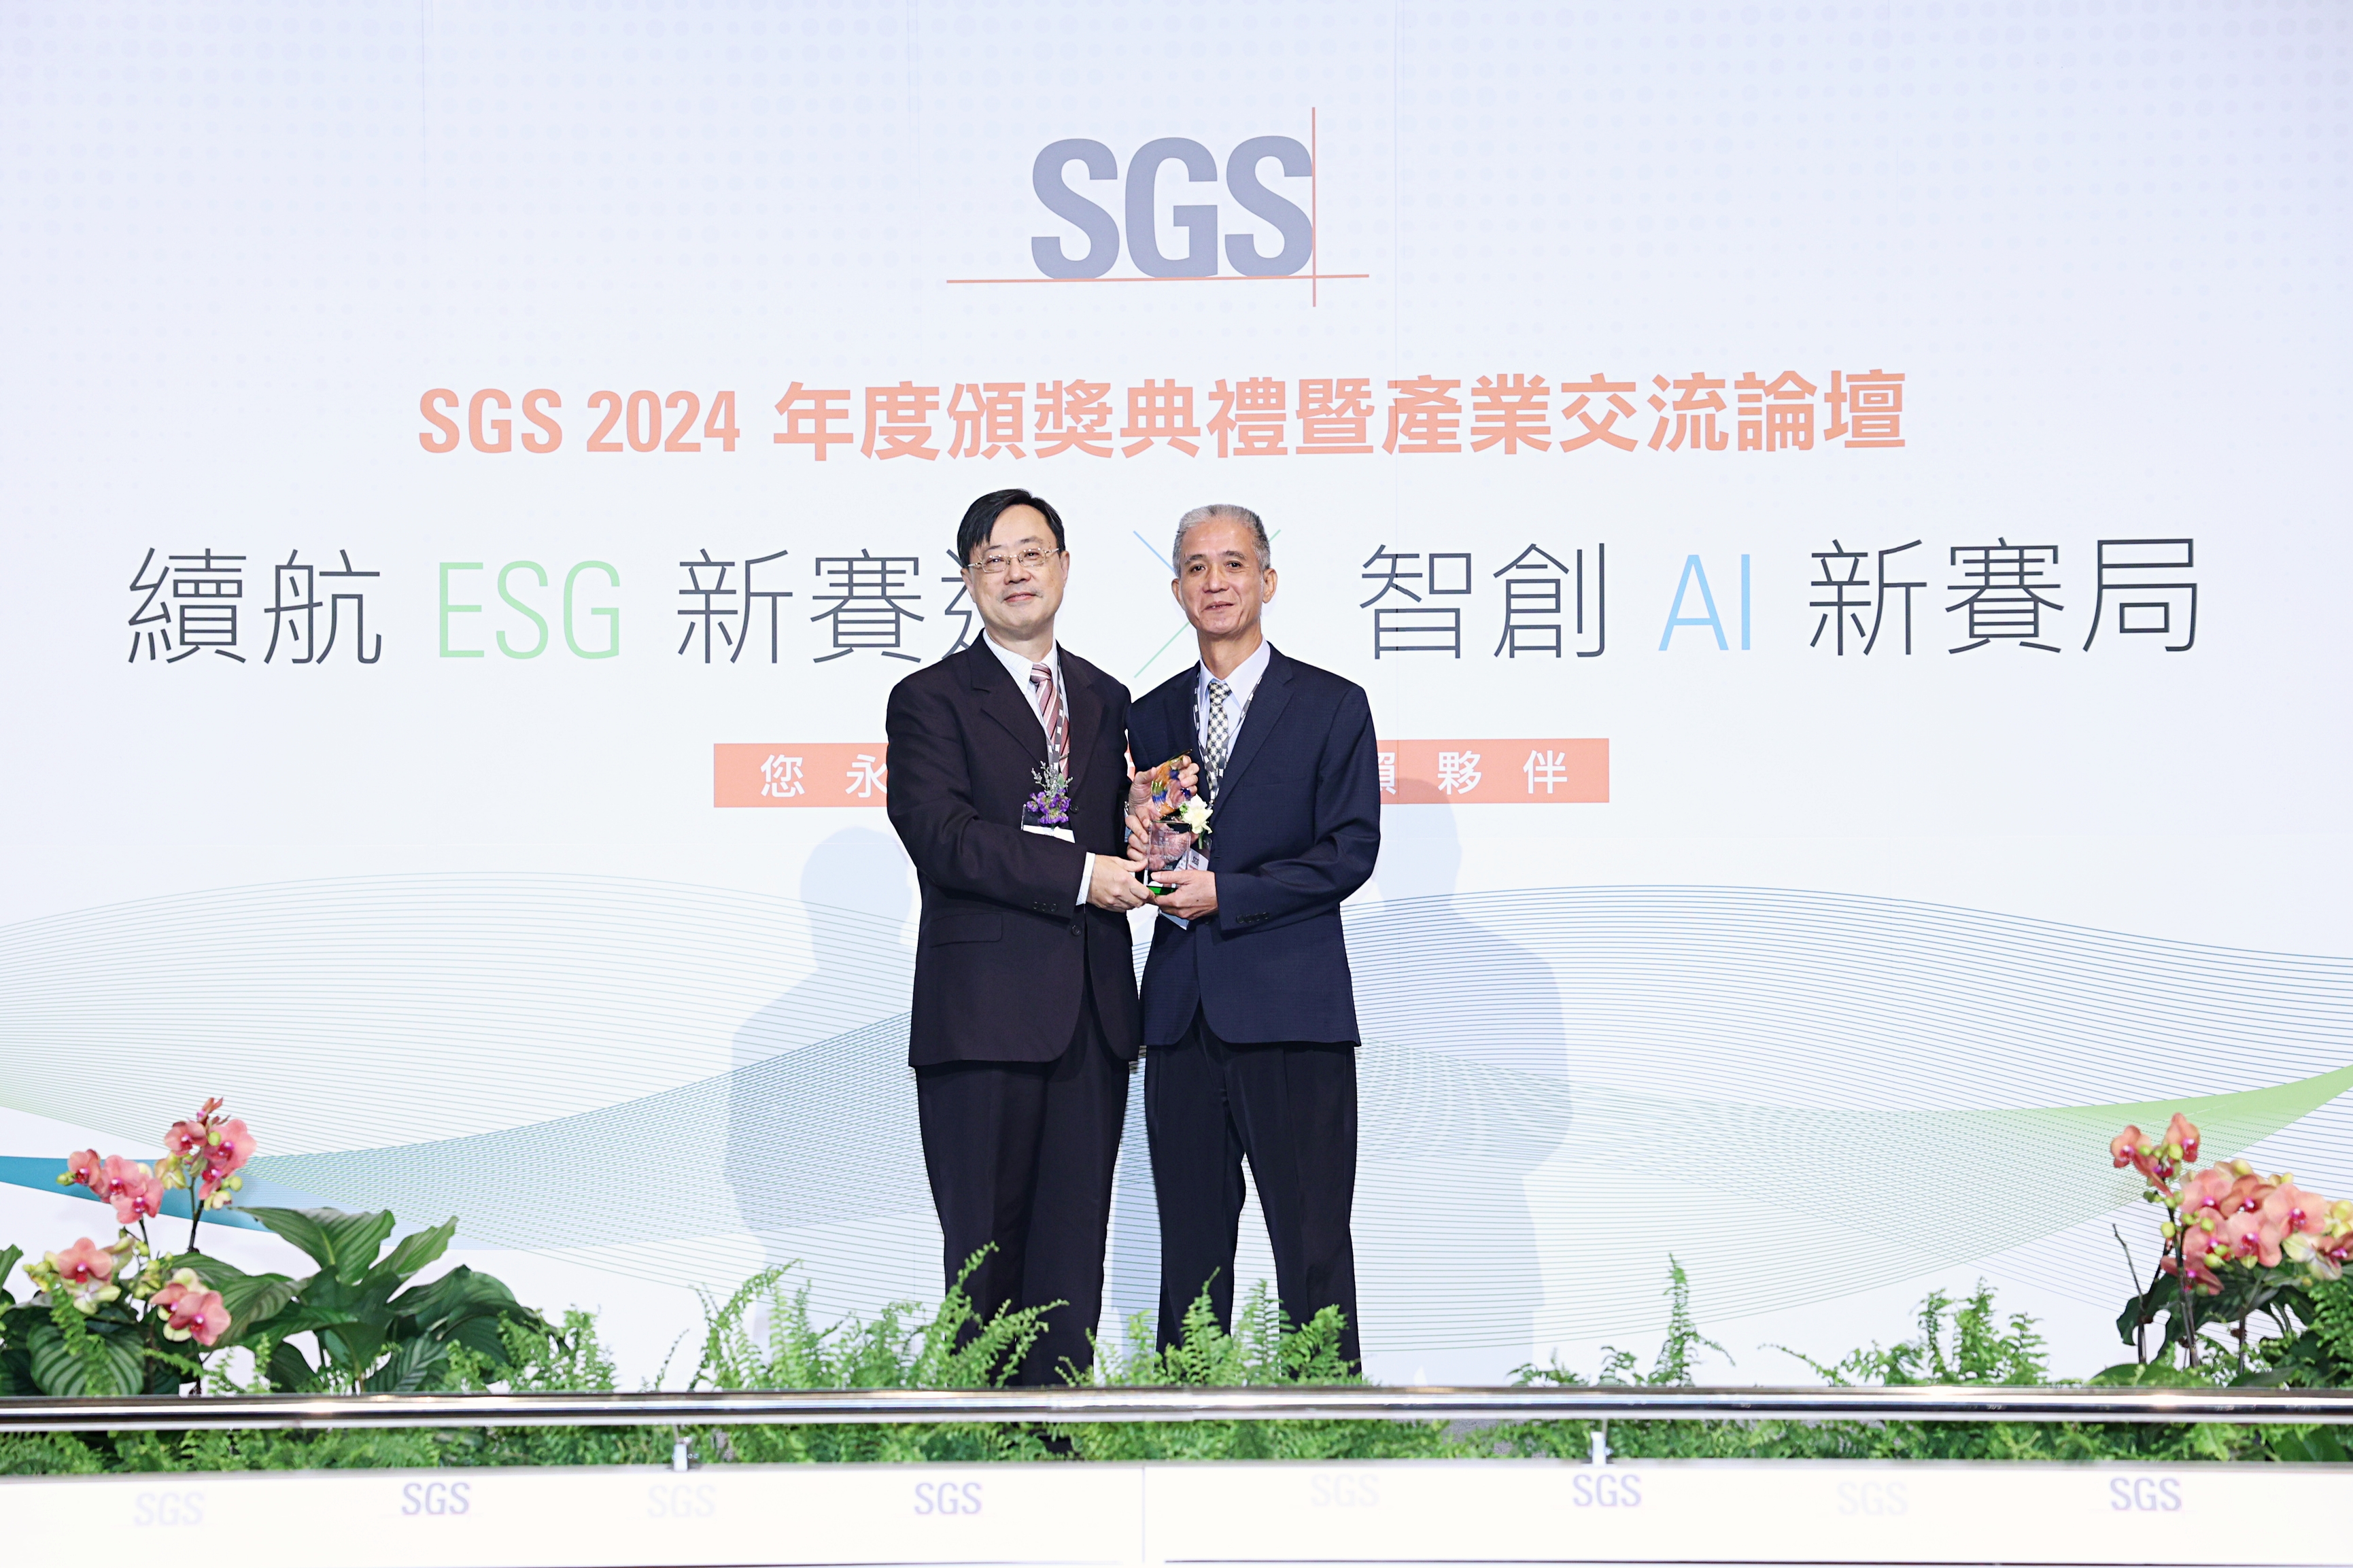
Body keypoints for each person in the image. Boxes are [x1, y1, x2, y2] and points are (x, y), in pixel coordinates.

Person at [883, 488, 1150, 1385]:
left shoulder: (1107, 697)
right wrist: (1082, 873)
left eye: (1031, 553)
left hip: (1091, 1017)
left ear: (1063, 567)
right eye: (993, 559)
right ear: (968, 579)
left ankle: (1060, 1441)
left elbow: (1116, 837)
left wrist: (1152, 836)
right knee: (983, 1262)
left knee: (1073, 1259)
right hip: (982, 1020)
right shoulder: (928, 699)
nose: (1015, 573)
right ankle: (980, 1444)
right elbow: (944, 837)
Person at [1128, 502, 1381, 1367]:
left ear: (1266, 581)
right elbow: (1150, 849)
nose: (1215, 583)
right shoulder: (1147, 716)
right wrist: (1142, 855)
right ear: (1176, 590)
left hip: (1291, 1013)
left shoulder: (1331, 706)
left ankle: (1327, 1423)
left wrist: (1226, 895)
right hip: (1180, 1018)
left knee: (1312, 1246)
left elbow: (1348, 853)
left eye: (1232, 565)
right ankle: (1184, 1421)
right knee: (1188, 1257)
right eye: (1196, 568)